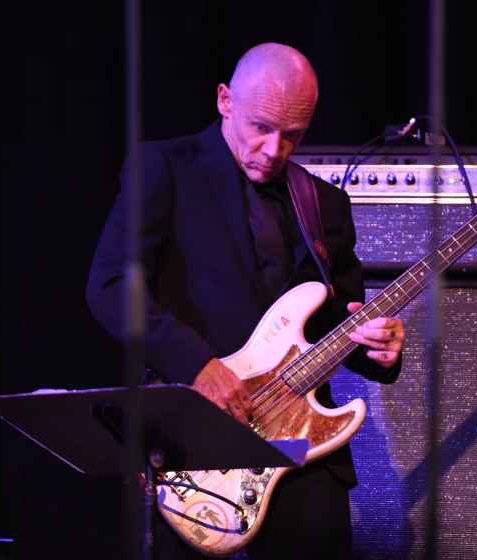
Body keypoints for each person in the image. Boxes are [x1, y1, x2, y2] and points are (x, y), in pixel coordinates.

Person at [85, 42, 406, 560]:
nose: (276, 150)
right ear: (224, 100)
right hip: (197, 447)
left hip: (304, 449)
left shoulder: (324, 203)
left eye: (293, 135)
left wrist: (379, 349)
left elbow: (342, 323)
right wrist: (198, 365)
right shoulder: (163, 167)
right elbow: (109, 286)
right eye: (262, 127)